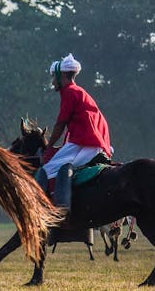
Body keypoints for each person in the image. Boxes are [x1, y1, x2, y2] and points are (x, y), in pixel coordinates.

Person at [39, 53, 113, 208]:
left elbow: (60, 124)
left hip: (86, 142)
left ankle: (60, 208)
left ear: (63, 75)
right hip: (89, 141)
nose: (52, 82)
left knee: (49, 168)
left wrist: (48, 146)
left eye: (53, 77)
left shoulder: (70, 92)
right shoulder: (78, 92)